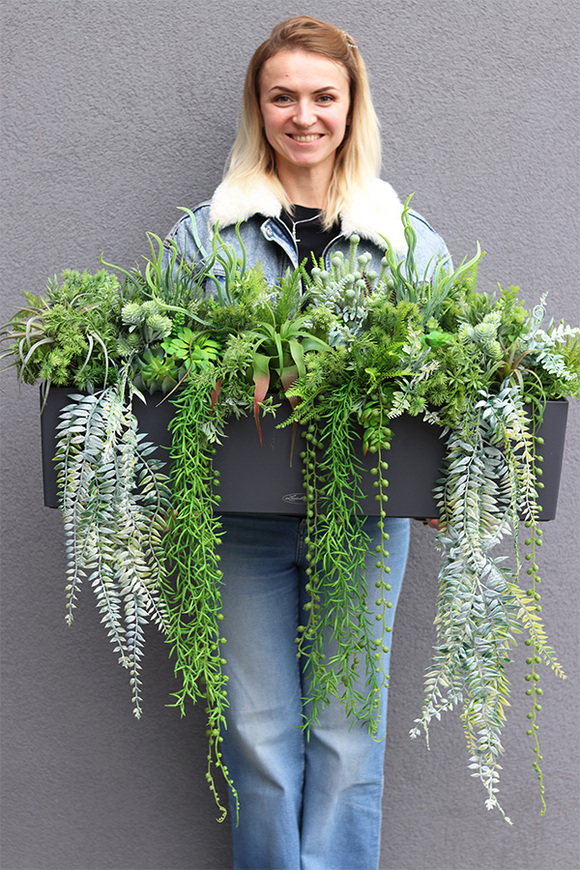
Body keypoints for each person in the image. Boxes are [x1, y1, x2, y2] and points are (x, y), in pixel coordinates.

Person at [163, 16, 451, 870]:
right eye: (282, 95)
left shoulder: (402, 239)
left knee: (348, 733)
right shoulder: (205, 238)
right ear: (259, 108)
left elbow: (452, 370)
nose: (303, 115)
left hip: (364, 519)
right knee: (257, 739)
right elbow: (156, 370)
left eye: (323, 96)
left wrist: (442, 479)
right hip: (236, 520)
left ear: (351, 107)